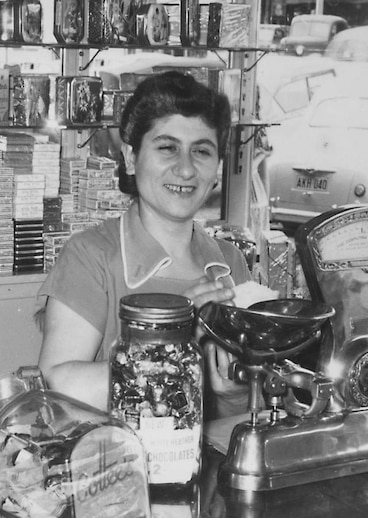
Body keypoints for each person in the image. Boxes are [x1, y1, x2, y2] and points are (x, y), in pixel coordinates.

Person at [36, 71, 252, 419]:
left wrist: (233, 394)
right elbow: (57, 389)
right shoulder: (93, 256)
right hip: (112, 466)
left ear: (219, 168)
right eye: (167, 148)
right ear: (131, 158)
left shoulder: (229, 265)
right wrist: (171, 344)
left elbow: (232, 413)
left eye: (201, 151)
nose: (185, 169)